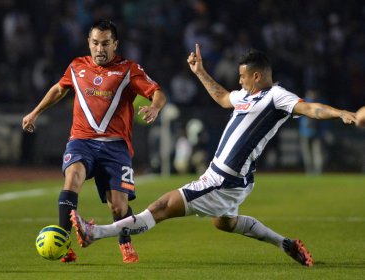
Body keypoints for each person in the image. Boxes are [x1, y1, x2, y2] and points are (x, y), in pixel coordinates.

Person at [69, 44, 356, 267]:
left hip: (224, 179)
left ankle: (95, 234)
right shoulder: (245, 96)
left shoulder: (277, 96)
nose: (239, 82)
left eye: (243, 77)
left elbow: (310, 108)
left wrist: (341, 113)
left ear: (257, 76)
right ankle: (286, 244)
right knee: (224, 222)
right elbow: (221, 97)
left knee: (159, 208)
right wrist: (200, 72)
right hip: (229, 178)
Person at [22, 20, 166, 264]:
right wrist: (35, 112)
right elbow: (59, 89)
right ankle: (64, 243)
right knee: (73, 177)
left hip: (115, 146)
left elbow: (158, 92)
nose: (100, 49)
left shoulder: (128, 69)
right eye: (96, 43)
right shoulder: (77, 66)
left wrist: (154, 108)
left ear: (115, 44)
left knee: (118, 207)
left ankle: (125, 243)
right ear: (89, 43)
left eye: (106, 44)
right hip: (82, 141)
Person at [298, 89, 328, 175]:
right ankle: (313, 171)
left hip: (309, 132)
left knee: (314, 153)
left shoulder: (302, 103)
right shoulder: (319, 103)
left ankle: (314, 171)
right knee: (313, 153)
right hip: (309, 132)